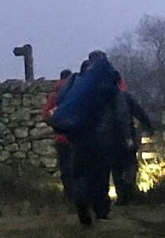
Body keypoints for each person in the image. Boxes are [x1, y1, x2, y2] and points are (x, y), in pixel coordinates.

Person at [68, 51, 124, 225]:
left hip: (80, 135)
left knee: (81, 173)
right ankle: (101, 212)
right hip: (103, 136)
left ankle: (81, 199)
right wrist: (123, 134)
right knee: (101, 175)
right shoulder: (110, 80)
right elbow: (120, 109)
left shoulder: (79, 80)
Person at [112, 90, 153, 205]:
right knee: (129, 164)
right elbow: (138, 112)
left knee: (116, 167)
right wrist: (147, 126)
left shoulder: (102, 96)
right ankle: (130, 194)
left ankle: (121, 196)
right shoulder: (123, 96)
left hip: (110, 138)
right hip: (126, 136)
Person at [42, 69, 74, 198]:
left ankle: (69, 195)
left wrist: (55, 126)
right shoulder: (75, 92)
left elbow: (46, 114)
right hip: (76, 137)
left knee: (65, 167)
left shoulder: (55, 95)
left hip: (61, 138)